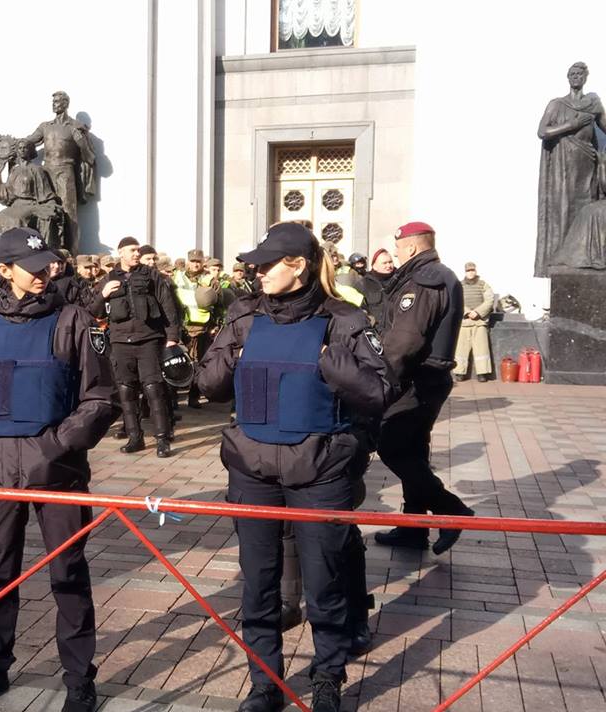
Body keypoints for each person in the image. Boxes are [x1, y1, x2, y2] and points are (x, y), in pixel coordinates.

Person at [196, 222, 393, 712]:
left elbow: (379, 391)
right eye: (255, 265)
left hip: (320, 470)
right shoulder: (243, 316)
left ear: (299, 265)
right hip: (252, 468)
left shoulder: (344, 320)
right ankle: (265, 682)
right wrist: (233, 357)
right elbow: (208, 386)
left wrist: (327, 361)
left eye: (267, 264)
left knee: (325, 583)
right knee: (258, 583)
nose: (257, 272)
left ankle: (328, 678)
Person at [0, 226, 117, 712]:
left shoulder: (74, 321)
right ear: (4, 270)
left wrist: (55, 446)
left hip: (57, 472)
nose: (44, 273)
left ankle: (79, 679)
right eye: (32, 266)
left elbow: (99, 398)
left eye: (47, 264)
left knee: (68, 574)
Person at [374, 221, 475, 554]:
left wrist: (380, 378)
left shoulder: (423, 280)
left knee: (392, 447)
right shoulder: (438, 275)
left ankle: (452, 510)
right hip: (427, 378)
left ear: (412, 247)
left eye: (398, 248)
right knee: (413, 452)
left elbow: (405, 341)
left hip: (415, 379)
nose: (396, 254)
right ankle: (413, 528)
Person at [91, 237, 181, 457]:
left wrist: (172, 337)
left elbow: (168, 305)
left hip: (149, 339)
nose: (136, 253)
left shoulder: (152, 275)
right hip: (120, 342)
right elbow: (94, 311)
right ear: (120, 252)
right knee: (126, 389)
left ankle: (162, 439)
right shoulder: (108, 279)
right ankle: (135, 437)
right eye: (132, 250)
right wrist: (103, 295)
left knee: (154, 388)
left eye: (138, 250)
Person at [535, 61, 606, 277]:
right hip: (563, 166)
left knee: (585, 210)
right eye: (572, 74)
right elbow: (543, 132)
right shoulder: (557, 104)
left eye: (579, 74)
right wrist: (572, 125)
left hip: (586, 164)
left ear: (585, 77)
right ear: (568, 78)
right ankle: (562, 259)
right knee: (563, 210)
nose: (576, 77)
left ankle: (584, 256)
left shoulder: (593, 103)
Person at [24, 92, 97, 255]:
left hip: (65, 171)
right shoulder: (45, 126)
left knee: (69, 212)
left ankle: (73, 252)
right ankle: (43, 249)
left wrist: (81, 142)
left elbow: (90, 158)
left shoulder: (75, 127)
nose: (54, 104)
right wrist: (3, 143)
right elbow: (27, 141)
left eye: (57, 101)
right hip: (46, 172)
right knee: (44, 209)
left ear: (65, 104)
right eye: (53, 101)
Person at [173, 249, 215, 408]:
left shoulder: (210, 279)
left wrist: (215, 325)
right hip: (181, 327)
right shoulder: (177, 277)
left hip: (203, 328)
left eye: (198, 261)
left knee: (200, 363)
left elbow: (218, 305)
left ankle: (194, 396)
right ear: (188, 261)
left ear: (203, 262)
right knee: (178, 362)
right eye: (193, 261)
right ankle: (173, 398)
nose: (196, 264)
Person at [453, 262, 494, 382]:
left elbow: (489, 300)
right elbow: (455, 300)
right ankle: (459, 372)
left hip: (479, 322)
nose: (470, 273)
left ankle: (482, 373)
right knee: (461, 349)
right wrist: (467, 312)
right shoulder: (459, 285)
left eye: (472, 270)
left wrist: (478, 312)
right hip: (464, 322)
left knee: (482, 348)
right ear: (465, 272)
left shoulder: (483, 285)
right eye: (468, 271)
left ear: (476, 271)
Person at [360, 249, 395, 329]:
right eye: (384, 263)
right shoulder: (364, 283)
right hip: (375, 330)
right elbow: (358, 308)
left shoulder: (400, 280)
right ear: (374, 266)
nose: (388, 266)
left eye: (390, 262)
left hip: (396, 330)